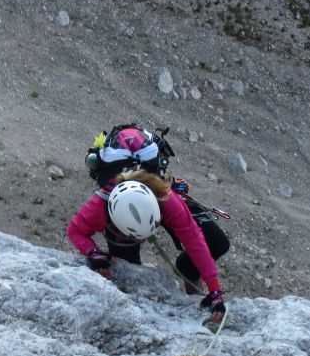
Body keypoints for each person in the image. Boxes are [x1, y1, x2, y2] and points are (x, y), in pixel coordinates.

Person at [67, 125, 229, 325]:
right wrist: (93, 253)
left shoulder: (167, 199)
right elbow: (75, 231)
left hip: (156, 200)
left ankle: (188, 272)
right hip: (120, 220)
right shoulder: (101, 204)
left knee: (217, 242)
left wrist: (215, 290)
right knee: (128, 273)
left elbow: (193, 238)